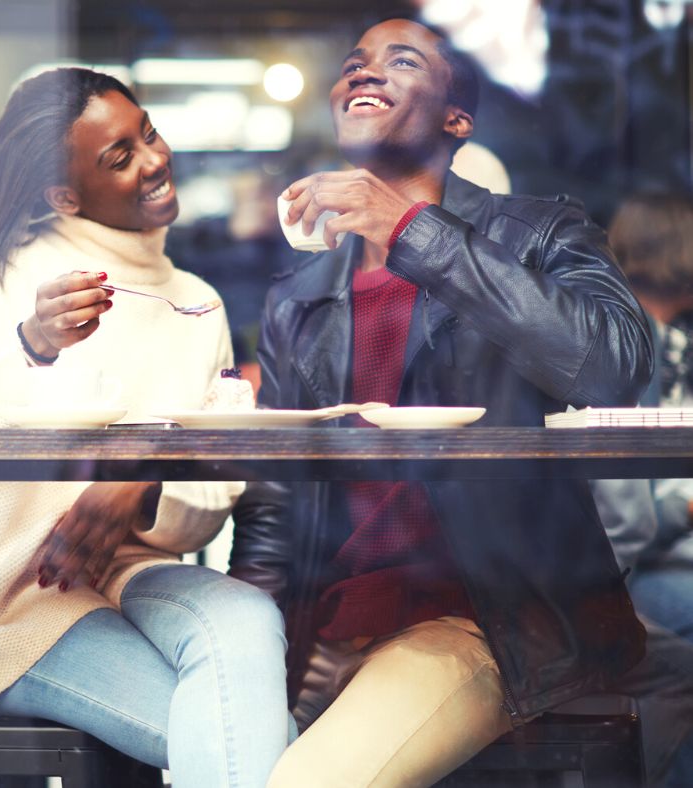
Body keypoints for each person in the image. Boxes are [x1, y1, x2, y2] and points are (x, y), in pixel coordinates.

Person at [229, 17, 653, 788]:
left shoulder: (538, 231)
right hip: (333, 627)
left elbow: (611, 366)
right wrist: (268, 650)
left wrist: (410, 228)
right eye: (354, 62)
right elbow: (273, 500)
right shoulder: (300, 294)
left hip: (493, 620)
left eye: (401, 61)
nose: (364, 73)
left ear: (456, 119)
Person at [0, 67, 291, 788]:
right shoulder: (0, 274)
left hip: (125, 575)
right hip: (1, 603)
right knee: (248, 734)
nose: (154, 160)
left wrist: (140, 488)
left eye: (148, 133)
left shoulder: (198, 305)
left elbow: (203, 508)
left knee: (241, 623)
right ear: (64, 194)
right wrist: (32, 344)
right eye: (120, 156)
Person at [591, 192, 693, 786]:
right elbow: (631, 516)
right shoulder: (634, 347)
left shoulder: (660, 342)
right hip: (631, 571)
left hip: (643, 556)